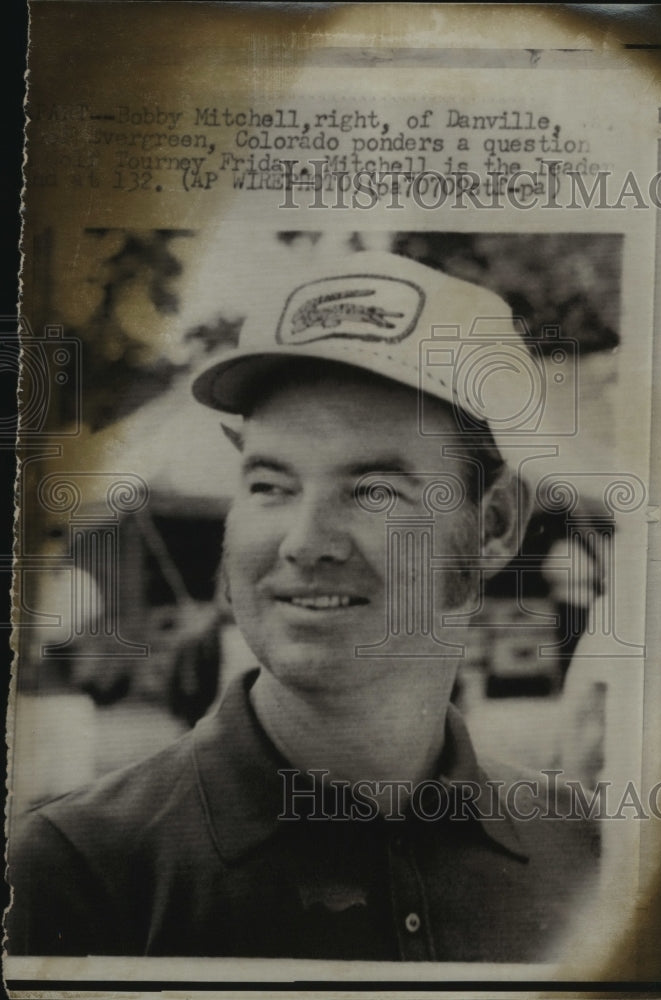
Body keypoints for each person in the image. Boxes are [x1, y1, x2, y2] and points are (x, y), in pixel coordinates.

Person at [7, 251, 599, 962]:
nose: (304, 541)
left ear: (496, 523)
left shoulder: (583, 847)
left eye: (375, 489)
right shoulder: (77, 872)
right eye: (269, 485)